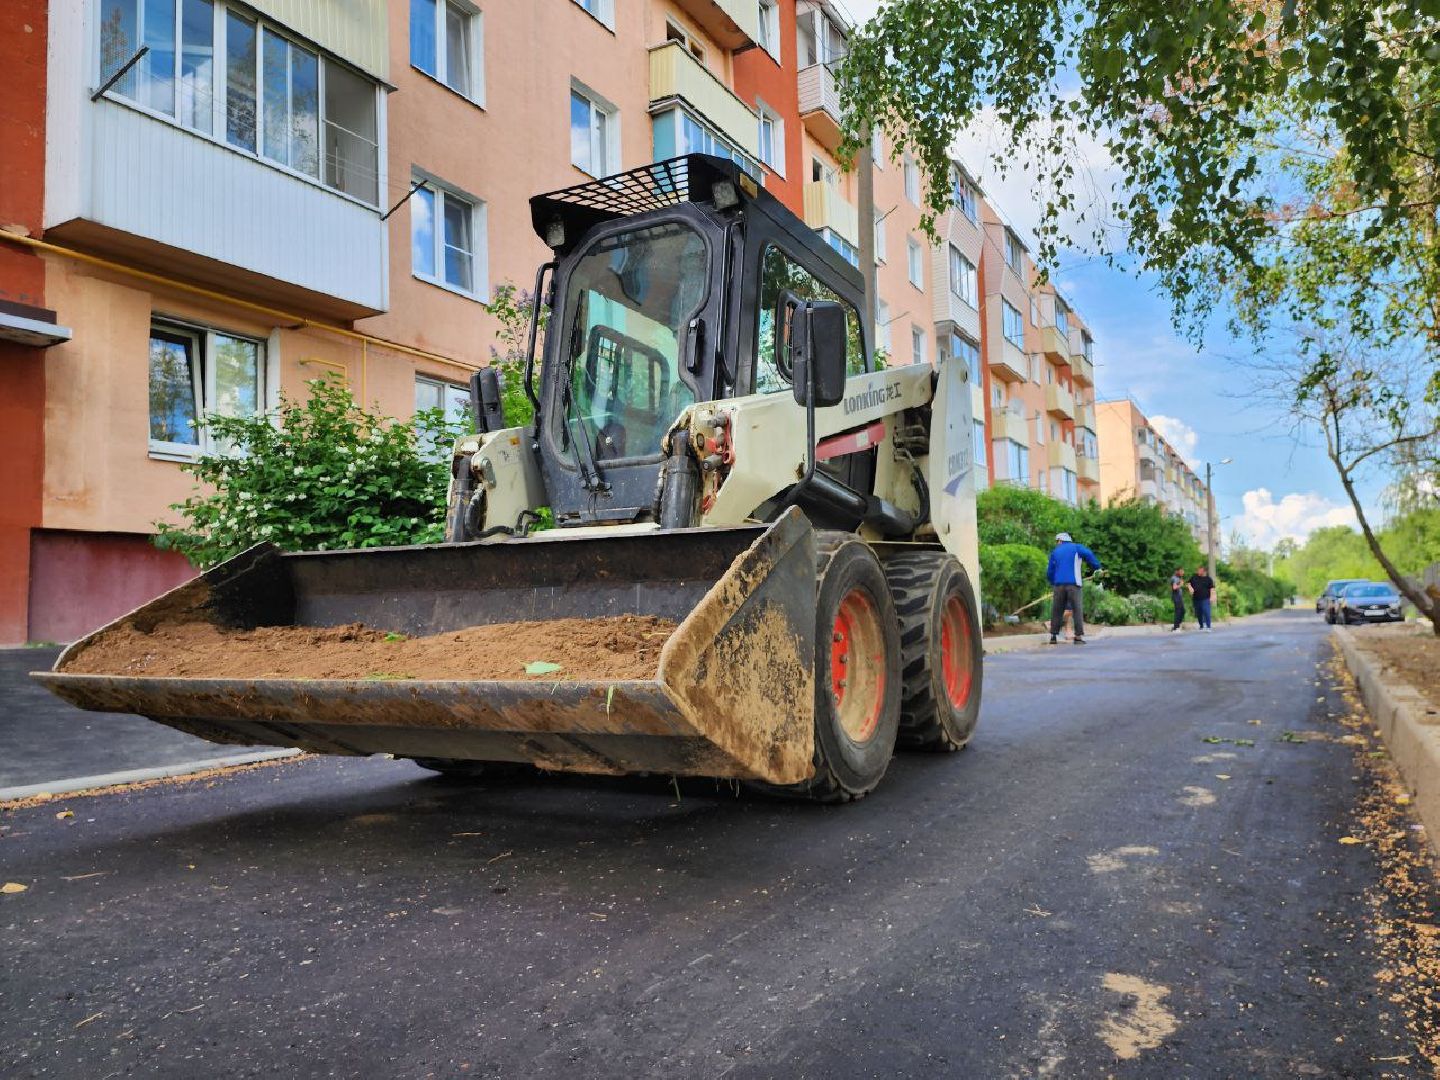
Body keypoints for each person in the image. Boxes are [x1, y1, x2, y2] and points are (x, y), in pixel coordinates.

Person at [1047, 532, 1102, 645]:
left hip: (1058, 585)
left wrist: (1053, 582)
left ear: (1060, 540)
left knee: (1057, 610)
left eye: (1057, 541)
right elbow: (1089, 554)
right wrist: (1097, 567)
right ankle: (1078, 637)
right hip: (1074, 584)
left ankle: (1053, 636)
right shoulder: (1077, 547)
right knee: (1077, 610)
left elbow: (1050, 571)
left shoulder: (1055, 551)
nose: (1057, 544)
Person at [1169, 567, 1187, 631]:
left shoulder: (1178, 578)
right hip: (1176, 596)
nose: (1183, 573)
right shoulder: (1174, 578)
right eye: (1181, 571)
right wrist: (1180, 585)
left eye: (1183, 571)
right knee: (1178, 611)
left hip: (1179, 597)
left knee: (1182, 611)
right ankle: (1175, 627)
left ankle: (1177, 626)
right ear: (1177, 571)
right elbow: (1174, 587)